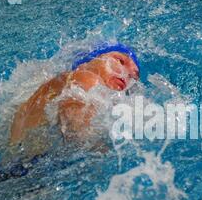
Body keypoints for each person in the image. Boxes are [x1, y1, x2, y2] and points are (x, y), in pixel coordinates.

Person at [10, 43, 140, 144]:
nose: (126, 74)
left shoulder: (56, 85)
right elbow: (77, 136)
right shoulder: (85, 76)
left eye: (133, 76)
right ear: (89, 61)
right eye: (120, 61)